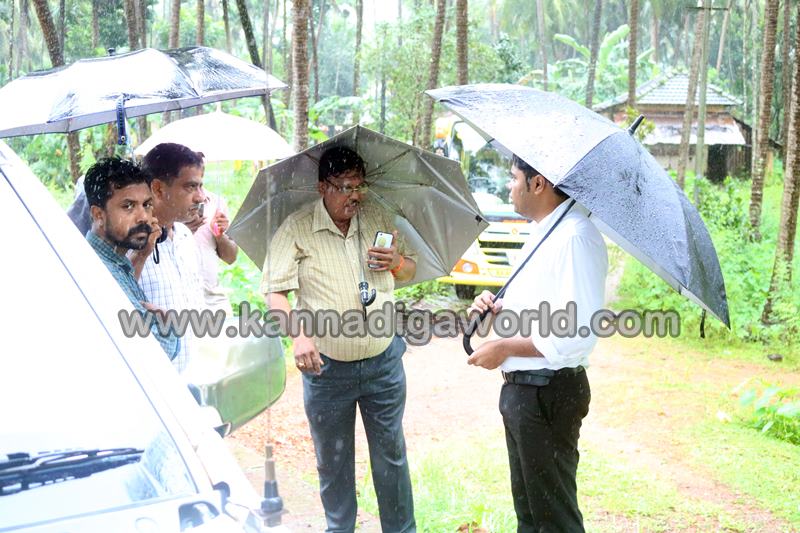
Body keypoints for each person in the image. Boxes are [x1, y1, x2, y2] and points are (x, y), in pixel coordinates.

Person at [262, 146, 418, 533]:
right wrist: (299, 337)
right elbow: (274, 292)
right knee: (334, 462)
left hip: (383, 363)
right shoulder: (297, 227)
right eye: (345, 186)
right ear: (323, 188)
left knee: (391, 457)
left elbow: (410, 270)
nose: (354, 195)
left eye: (359, 186)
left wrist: (397, 263)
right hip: (328, 370)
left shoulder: (377, 217)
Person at [467, 154, 608, 532]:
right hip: (524, 393)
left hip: (548, 392)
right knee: (530, 516)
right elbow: (539, 311)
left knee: (554, 519)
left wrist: (506, 348)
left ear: (538, 183)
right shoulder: (542, 232)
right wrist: (494, 311)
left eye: (514, 178)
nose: (509, 186)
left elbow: (575, 332)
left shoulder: (575, 237)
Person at [83, 157, 179, 360]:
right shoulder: (99, 271)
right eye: (128, 206)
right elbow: (155, 355)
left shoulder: (117, 262)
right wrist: (168, 327)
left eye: (147, 204)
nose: (143, 216)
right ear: (99, 215)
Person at [138, 142, 206, 373]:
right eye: (191, 187)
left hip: (195, 375)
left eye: (201, 186)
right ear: (158, 189)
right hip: (155, 381)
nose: (201, 197)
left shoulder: (185, 235)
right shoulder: (130, 248)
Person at [189, 189, 238, 315]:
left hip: (214, 301)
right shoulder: (170, 203)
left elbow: (231, 258)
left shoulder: (216, 203)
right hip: (183, 301)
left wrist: (220, 236)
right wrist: (185, 229)